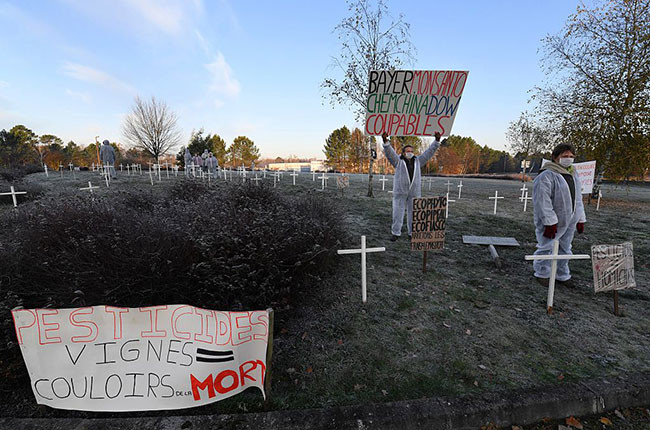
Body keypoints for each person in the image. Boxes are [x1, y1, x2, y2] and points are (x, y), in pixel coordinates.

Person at [532, 143, 586, 287]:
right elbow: (542, 201)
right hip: (552, 220)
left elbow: (578, 198)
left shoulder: (573, 174)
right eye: (564, 156)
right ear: (556, 157)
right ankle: (542, 273)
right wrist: (549, 221)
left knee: (565, 247)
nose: (568, 159)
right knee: (546, 246)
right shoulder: (547, 175)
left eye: (571, 156)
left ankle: (562, 274)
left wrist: (580, 218)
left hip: (570, 219)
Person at [381, 132, 442, 241]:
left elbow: (429, 152)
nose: (410, 153)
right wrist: (386, 141)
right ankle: (396, 233)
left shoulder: (418, 161)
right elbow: (389, 153)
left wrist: (437, 141)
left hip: (414, 192)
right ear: (403, 153)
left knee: (414, 213)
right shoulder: (398, 161)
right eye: (408, 151)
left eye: (412, 151)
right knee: (397, 213)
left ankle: (412, 233)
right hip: (400, 192)